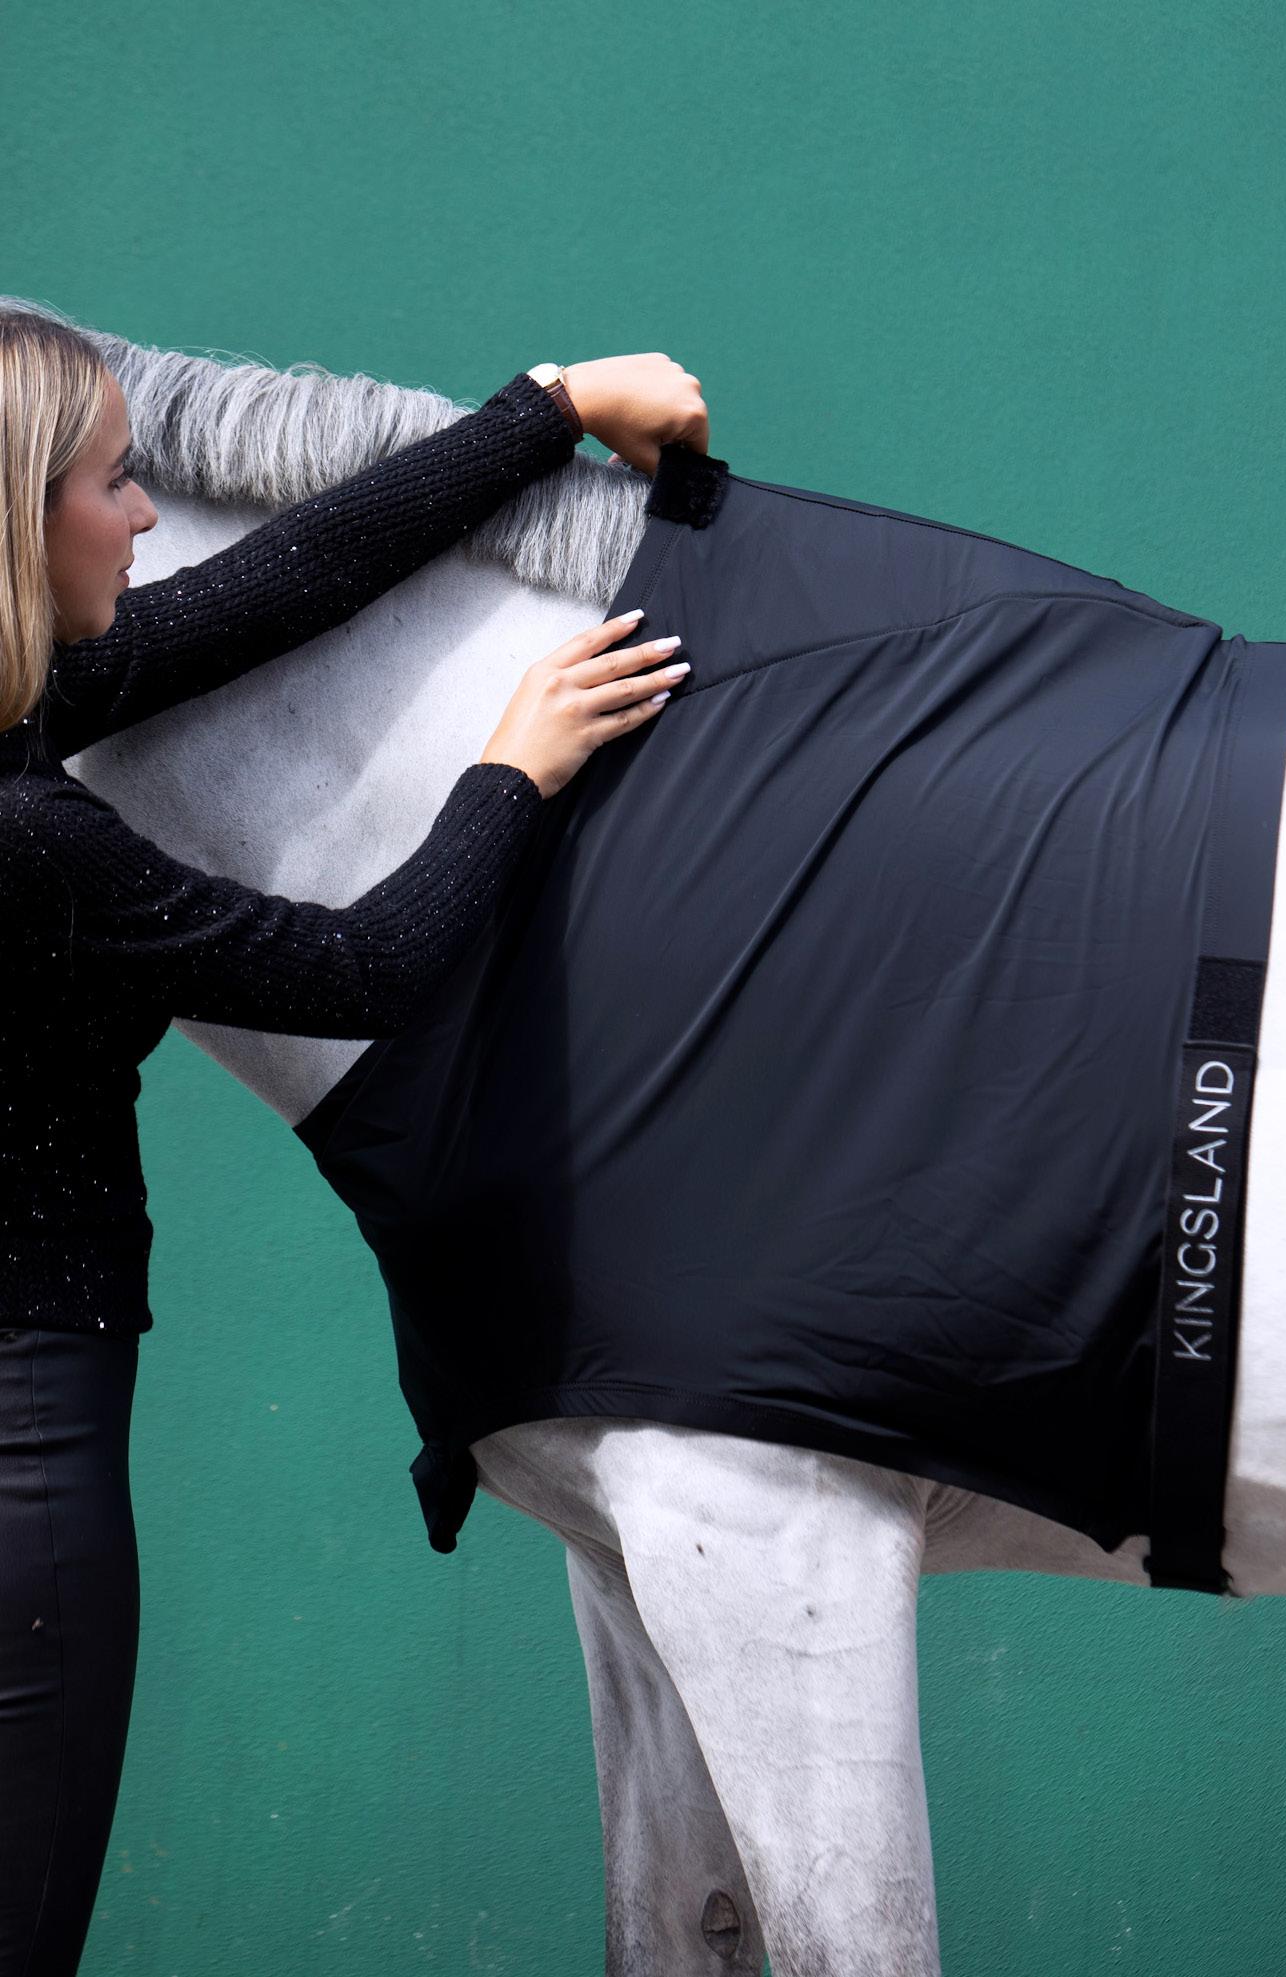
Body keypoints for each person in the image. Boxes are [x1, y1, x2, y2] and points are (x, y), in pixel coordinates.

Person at [0, 305, 707, 1977]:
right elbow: (358, 972)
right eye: (115, 483)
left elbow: (284, 581)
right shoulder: (29, 833)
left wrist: (548, 407)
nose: (151, 515)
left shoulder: (33, 716)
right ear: (21, 522)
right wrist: (514, 767)